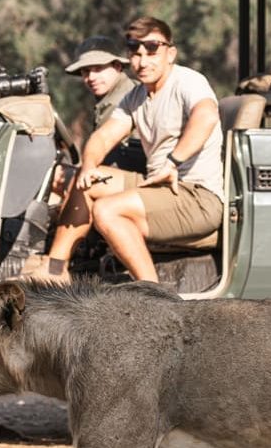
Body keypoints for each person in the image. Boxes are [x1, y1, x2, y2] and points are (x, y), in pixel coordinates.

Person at [21, 16, 223, 285]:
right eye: (135, 52)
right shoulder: (137, 96)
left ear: (170, 53)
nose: (142, 60)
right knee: (87, 180)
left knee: (107, 210)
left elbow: (206, 116)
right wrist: (90, 165)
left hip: (195, 195)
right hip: (159, 186)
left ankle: (152, 293)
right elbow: (103, 137)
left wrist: (174, 162)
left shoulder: (187, 81)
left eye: (152, 49)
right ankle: (55, 269)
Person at [64, 35, 146, 174]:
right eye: (86, 71)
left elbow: (103, 149)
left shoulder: (120, 100)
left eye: (98, 69)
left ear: (117, 66)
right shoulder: (122, 91)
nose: (91, 77)